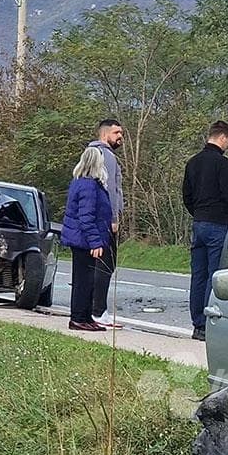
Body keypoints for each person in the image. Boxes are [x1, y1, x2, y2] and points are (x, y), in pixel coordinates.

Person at [182, 120, 228, 341]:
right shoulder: (223, 164)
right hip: (218, 225)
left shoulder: (193, 163)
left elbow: (186, 196)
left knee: (197, 275)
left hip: (198, 224)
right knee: (213, 275)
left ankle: (197, 324)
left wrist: (198, 213)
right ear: (222, 137)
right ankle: (209, 324)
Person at [61, 147, 113, 332]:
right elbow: (86, 216)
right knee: (84, 280)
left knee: (87, 279)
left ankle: (85, 315)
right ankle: (78, 318)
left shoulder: (81, 182)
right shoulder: (89, 186)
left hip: (81, 238)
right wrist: (95, 242)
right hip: (83, 240)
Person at [87, 119, 125, 328]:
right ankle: (98, 311)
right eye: (116, 132)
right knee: (105, 266)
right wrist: (114, 219)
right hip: (105, 221)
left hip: (93, 219)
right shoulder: (107, 156)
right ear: (104, 135)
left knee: (93, 267)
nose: (120, 137)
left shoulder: (90, 154)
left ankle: (92, 310)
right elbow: (111, 189)